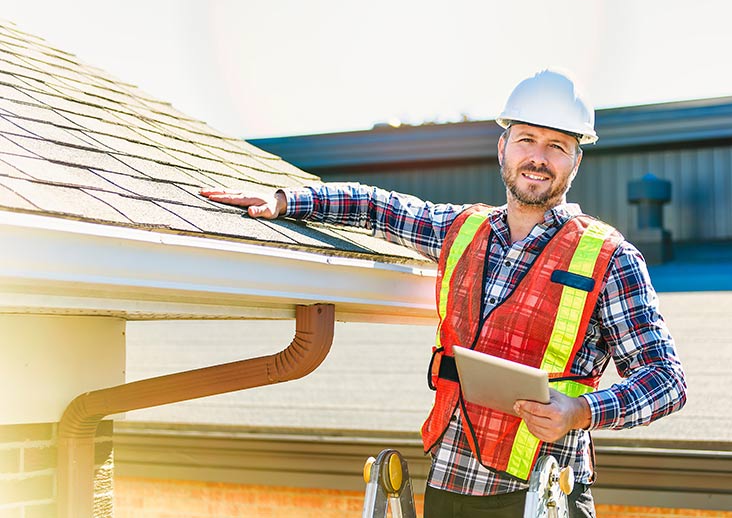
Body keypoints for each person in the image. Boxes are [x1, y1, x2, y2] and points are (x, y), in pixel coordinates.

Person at [201, 69, 687, 518]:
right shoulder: (462, 230)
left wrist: (579, 411)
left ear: (575, 161)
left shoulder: (609, 257)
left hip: (543, 494)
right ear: (503, 149)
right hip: (449, 480)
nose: (538, 157)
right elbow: (378, 208)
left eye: (557, 145)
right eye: (526, 140)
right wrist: (288, 201)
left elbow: (666, 380)